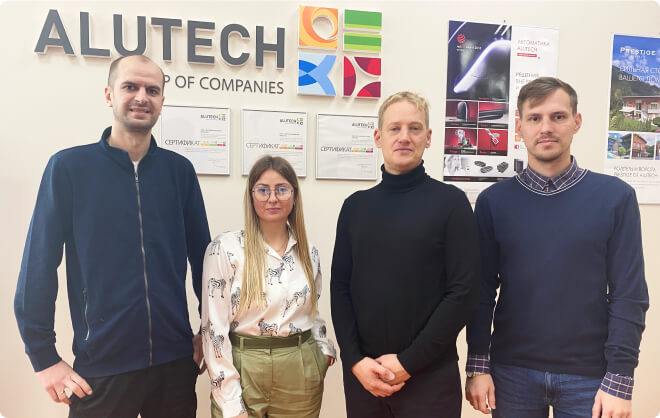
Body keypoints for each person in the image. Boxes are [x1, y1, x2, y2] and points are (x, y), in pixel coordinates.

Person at [14, 54, 211, 418]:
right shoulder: (69, 168)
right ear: (109, 95)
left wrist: (208, 331)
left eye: (152, 90)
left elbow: (206, 262)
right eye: (130, 87)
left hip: (174, 366)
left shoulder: (179, 172)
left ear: (162, 100)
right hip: (102, 366)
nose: (142, 97)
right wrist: (44, 359)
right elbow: (38, 266)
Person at [465, 77, 649, 418]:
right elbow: (481, 291)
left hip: (591, 377)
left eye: (558, 116)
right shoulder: (493, 202)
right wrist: (478, 365)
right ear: (519, 127)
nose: (546, 127)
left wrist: (620, 378)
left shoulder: (615, 197)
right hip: (512, 374)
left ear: (576, 122)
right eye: (534, 118)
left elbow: (629, 293)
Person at [331, 91, 479, 417]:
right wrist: (354, 361)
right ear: (378, 137)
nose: (404, 137)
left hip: (430, 377)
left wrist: (408, 362)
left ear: (428, 137)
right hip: (365, 378)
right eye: (394, 128)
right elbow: (340, 290)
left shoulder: (451, 204)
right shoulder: (355, 208)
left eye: (414, 128)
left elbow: (463, 294)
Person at [202, 155, 336, 418]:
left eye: (281, 189)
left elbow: (311, 309)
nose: (272, 198)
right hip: (244, 364)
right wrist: (230, 400)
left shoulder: (308, 252)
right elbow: (213, 328)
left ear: (294, 196)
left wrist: (324, 351)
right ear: (251, 196)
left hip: (299, 368)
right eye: (263, 190)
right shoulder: (225, 249)